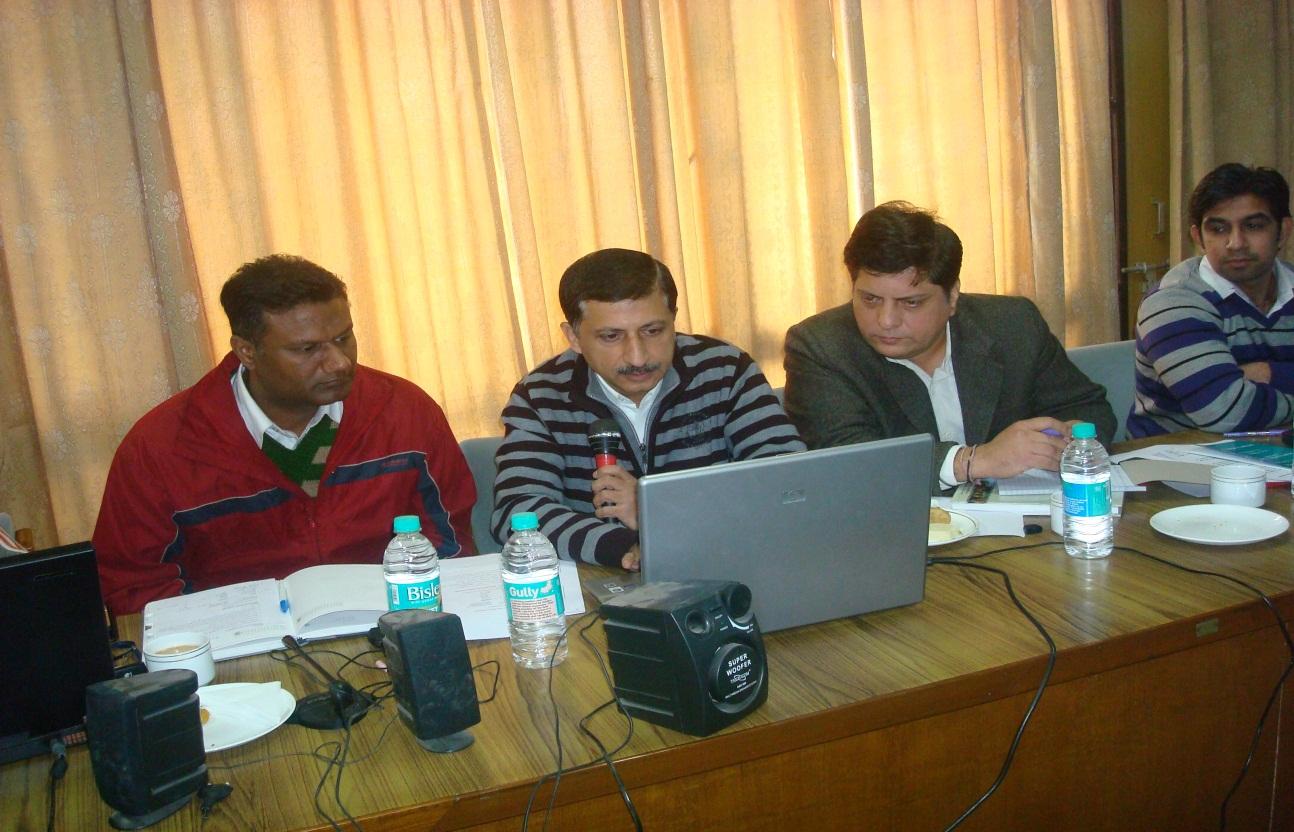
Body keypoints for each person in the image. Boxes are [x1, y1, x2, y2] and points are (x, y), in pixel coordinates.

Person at [93, 254, 476, 614]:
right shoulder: (160, 447)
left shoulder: (404, 412)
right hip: (237, 650)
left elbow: (451, 541)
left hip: (391, 623)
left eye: (344, 338)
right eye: (307, 349)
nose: (339, 363)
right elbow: (135, 586)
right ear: (247, 351)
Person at [492, 248, 804, 570]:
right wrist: (624, 546)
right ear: (573, 336)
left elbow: (789, 484)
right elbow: (517, 513)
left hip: (726, 565)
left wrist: (658, 513)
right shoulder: (540, 396)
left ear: (674, 318)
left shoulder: (725, 371)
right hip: (604, 578)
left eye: (653, 331)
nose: (638, 357)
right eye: (611, 336)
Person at [783, 201, 1115, 494]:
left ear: (952, 297)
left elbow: (1089, 408)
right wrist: (973, 461)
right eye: (869, 299)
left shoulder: (1013, 325)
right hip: (894, 535)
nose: (885, 320)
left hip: (1021, 531)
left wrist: (1069, 441)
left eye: (910, 303)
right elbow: (850, 462)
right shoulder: (821, 347)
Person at [1129, 163, 1294, 436]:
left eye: (1253, 226)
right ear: (1198, 237)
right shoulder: (1173, 300)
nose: (1236, 243)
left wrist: (1268, 373)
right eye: (1218, 229)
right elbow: (1223, 412)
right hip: (1179, 466)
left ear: (1283, 231)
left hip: (1279, 460)